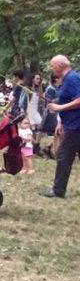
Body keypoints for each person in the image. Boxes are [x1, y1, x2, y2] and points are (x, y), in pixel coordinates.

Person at [44, 55, 80, 198]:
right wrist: (60, 122)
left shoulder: (72, 78)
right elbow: (67, 100)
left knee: (64, 157)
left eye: (52, 65)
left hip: (76, 126)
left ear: (60, 65)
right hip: (71, 124)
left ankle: (58, 190)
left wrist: (59, 107)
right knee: (65, 156)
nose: (52, 69)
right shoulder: (66, 80)